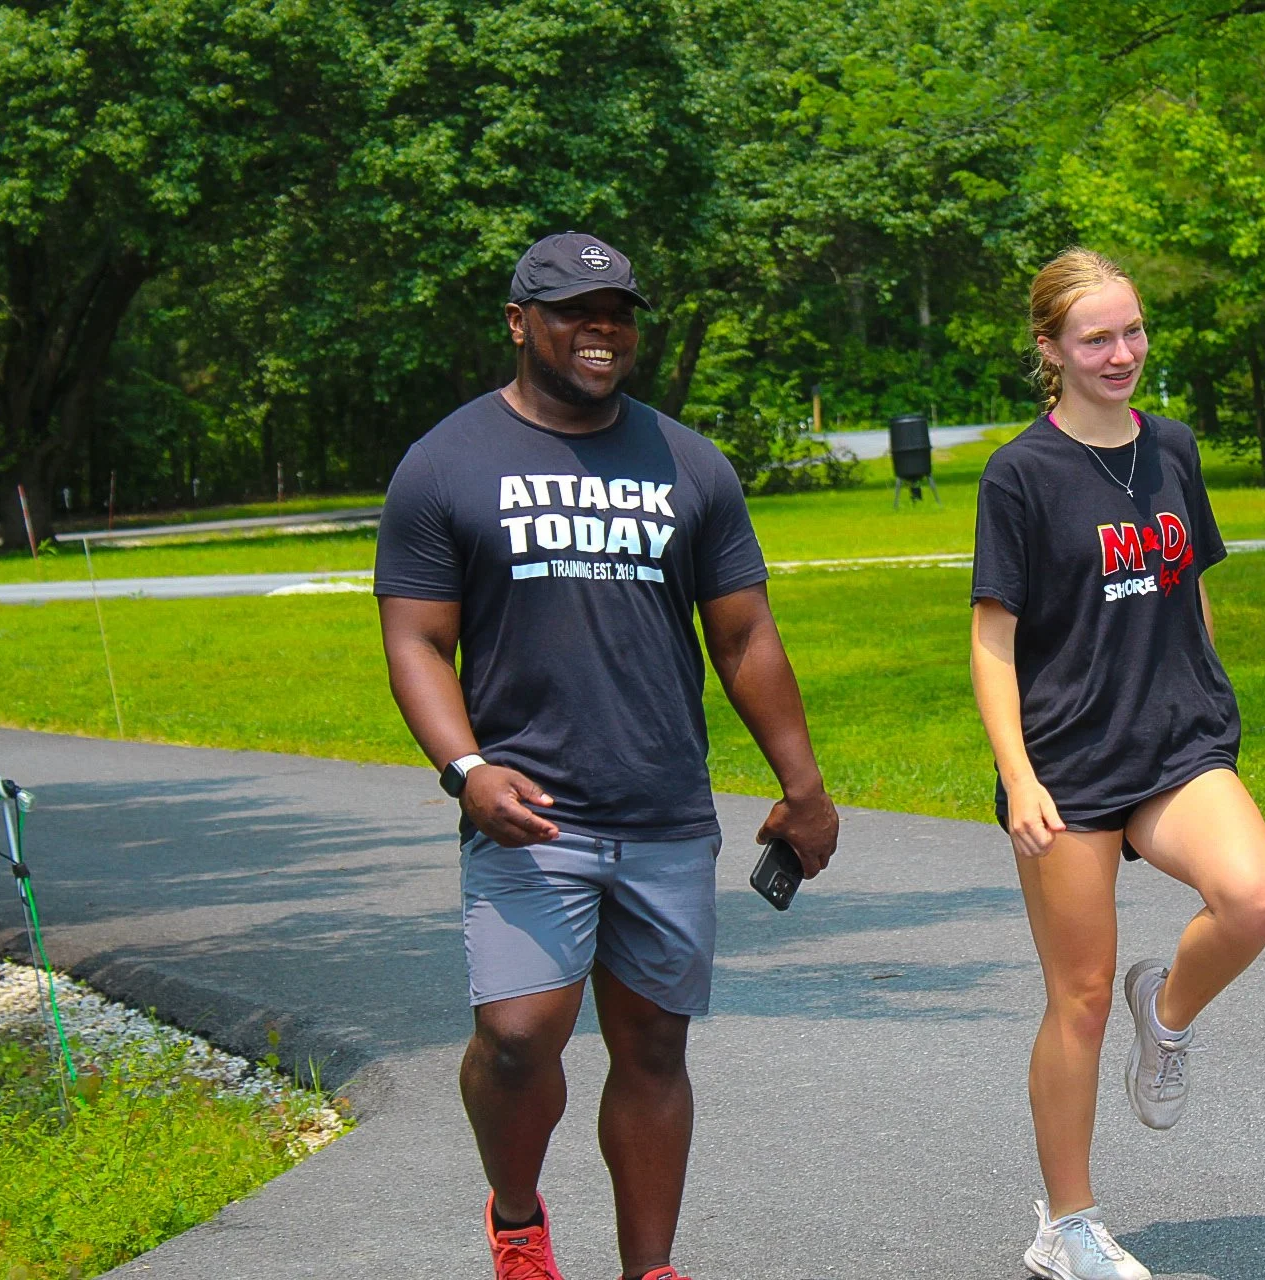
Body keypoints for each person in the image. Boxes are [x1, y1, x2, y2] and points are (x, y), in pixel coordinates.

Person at [374, 231, 839, 1280]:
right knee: (518, 1036)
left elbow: (745, 635)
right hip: (529, 805)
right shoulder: (446, 463)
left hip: (664, 807)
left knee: (655, 1048)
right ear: (518, 323)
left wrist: (801, 782)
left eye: (618, 312)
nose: (603, 331)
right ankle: (517, 1211)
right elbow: (416, 640)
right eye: (577, 311)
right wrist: (465, 769)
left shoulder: (686, 461)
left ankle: (650, 1266)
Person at [968, 248, 1265, 1280]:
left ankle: (1173, 1011)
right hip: (1067, 759)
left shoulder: (1175, 449)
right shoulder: (1020, 473)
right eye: (1097, 336)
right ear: (1051, 350)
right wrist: (1018, 775)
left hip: (1176, 741)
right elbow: (992, 639)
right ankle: (1067, 1223)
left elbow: (1190, 581)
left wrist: (1211, 692)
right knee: (1081, 994)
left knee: (1252, 895)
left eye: (1133, 330)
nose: (1123, 352)